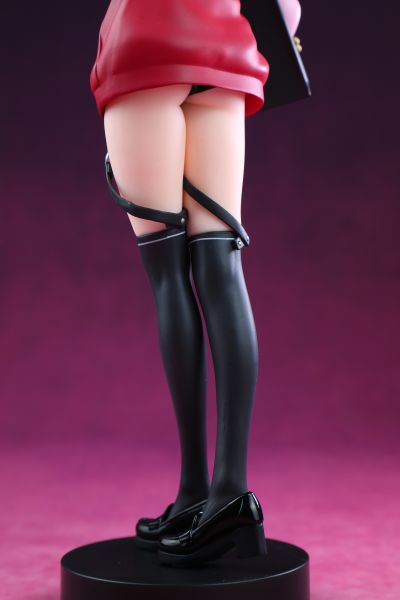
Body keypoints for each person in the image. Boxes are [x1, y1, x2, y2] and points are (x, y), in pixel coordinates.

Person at [89, 0, 301, 566]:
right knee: (221, 266)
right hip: (223, 55)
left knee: (167, 273)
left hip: (144, 49)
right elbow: (288, 11)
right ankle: (225, 492)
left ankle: (193, 486)